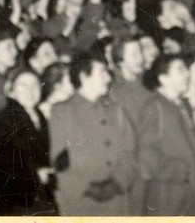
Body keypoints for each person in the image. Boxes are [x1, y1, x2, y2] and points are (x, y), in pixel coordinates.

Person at [49, 54, 138, 215]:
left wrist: (118, 182)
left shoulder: (116, 110)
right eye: (102, 72)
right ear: (84, 76)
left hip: (117, 203)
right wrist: (88, 188)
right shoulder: (62, 112)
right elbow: (60, 164)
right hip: (83, 204)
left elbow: (129, 153)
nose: (108, 77)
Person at [136, 54, 195, 215]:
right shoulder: (154, 108)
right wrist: (182, 171)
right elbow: (145, 157)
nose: (187, 75)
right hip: (172, 199)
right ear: (164, 78)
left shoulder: (182, 104)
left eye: (186, 69)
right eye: (180, 70)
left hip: (194, 194)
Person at [0, 68, 56, 215]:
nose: (30, 91)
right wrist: (38, 175)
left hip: (37, 195)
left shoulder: (38, 115)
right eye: (23, 86)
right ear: (10, 90)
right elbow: (9, 164)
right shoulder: (5, 119)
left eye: (35, 85)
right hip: (19, 202)